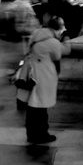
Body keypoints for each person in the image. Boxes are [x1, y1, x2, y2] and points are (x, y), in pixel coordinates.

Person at [23, 16, 70, 145]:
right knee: (41, 108)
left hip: (32, 72)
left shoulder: (36, 33)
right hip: (44, 75)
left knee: (33, 106)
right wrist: (66, 40)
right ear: (58, 29)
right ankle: (42, 134)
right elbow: (60, 54)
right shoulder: (53, 42)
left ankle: (31, 134)